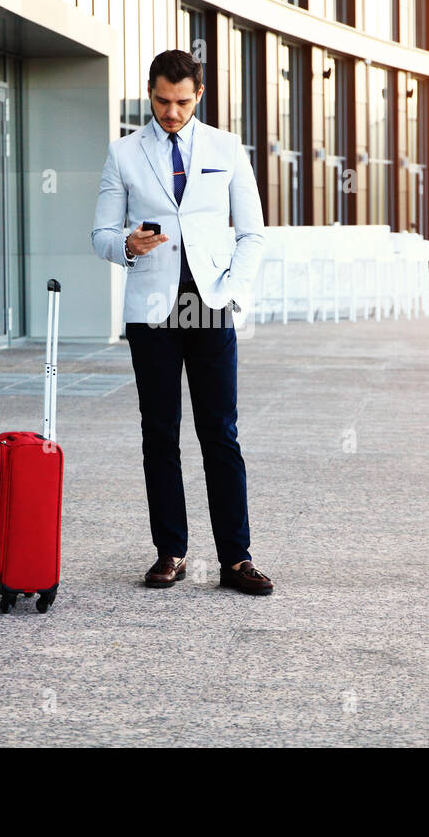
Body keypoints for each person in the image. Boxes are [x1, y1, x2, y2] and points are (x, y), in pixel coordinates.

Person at [90, 49, 271, 595]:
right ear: (150, 92)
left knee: (220, 433)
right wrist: (127, 244)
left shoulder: (226, 148)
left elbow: (253, 233)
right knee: (159, 432)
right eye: (163, 101)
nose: (172, 112)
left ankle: (236, 559)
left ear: (199, 96)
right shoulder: (123, 153)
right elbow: (100, 234)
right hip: (152, 310)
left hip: (209, 305)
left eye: (183, 103)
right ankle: (170, 552)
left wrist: (231, 291)